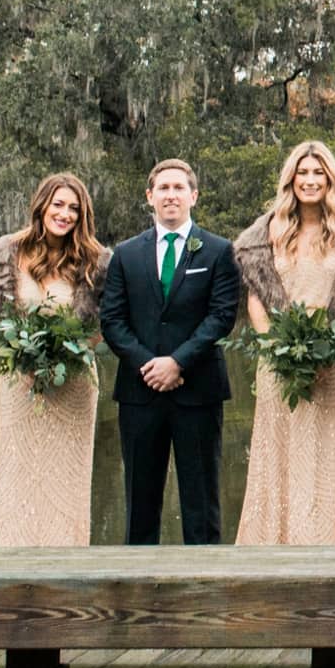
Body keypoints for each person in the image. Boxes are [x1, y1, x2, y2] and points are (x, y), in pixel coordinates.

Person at [232, 141, 335, 545]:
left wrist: (334, 345)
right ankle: (271, 550)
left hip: (332, 364)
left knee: (324, 459)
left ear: (331, 179)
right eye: (303, 173)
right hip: (279, 365)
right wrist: (275, 349)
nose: (310, 181)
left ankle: (322, 547)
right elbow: (256, 298)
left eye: (318, 174)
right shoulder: (264, 234)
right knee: (277, 457)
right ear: (290, 179)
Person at [99, 158, 241, 545]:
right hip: (139, 393)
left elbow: (221, 317)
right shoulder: (125, 255)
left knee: (202, 502)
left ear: (193, 196)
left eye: (179, 188)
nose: (171, 195)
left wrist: (178, 362)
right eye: (163, 188)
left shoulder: (218, 251)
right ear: (150, 197)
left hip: (198, 391)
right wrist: (149, 364)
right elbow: (111, 320)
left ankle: (203, 587)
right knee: (140, 504)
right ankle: (139, 591)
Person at [0, 173, 111, 547]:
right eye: (58, 205)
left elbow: (100, 327)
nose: (64, 214)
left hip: (75, 383)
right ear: (42, 206)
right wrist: (27, 362)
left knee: (65, 476)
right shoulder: (2, 255)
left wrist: (66, 355)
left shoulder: (96, 263)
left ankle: (66, 563)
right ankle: (9, 565)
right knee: (18, 473)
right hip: (20, 382)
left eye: (73, 208)